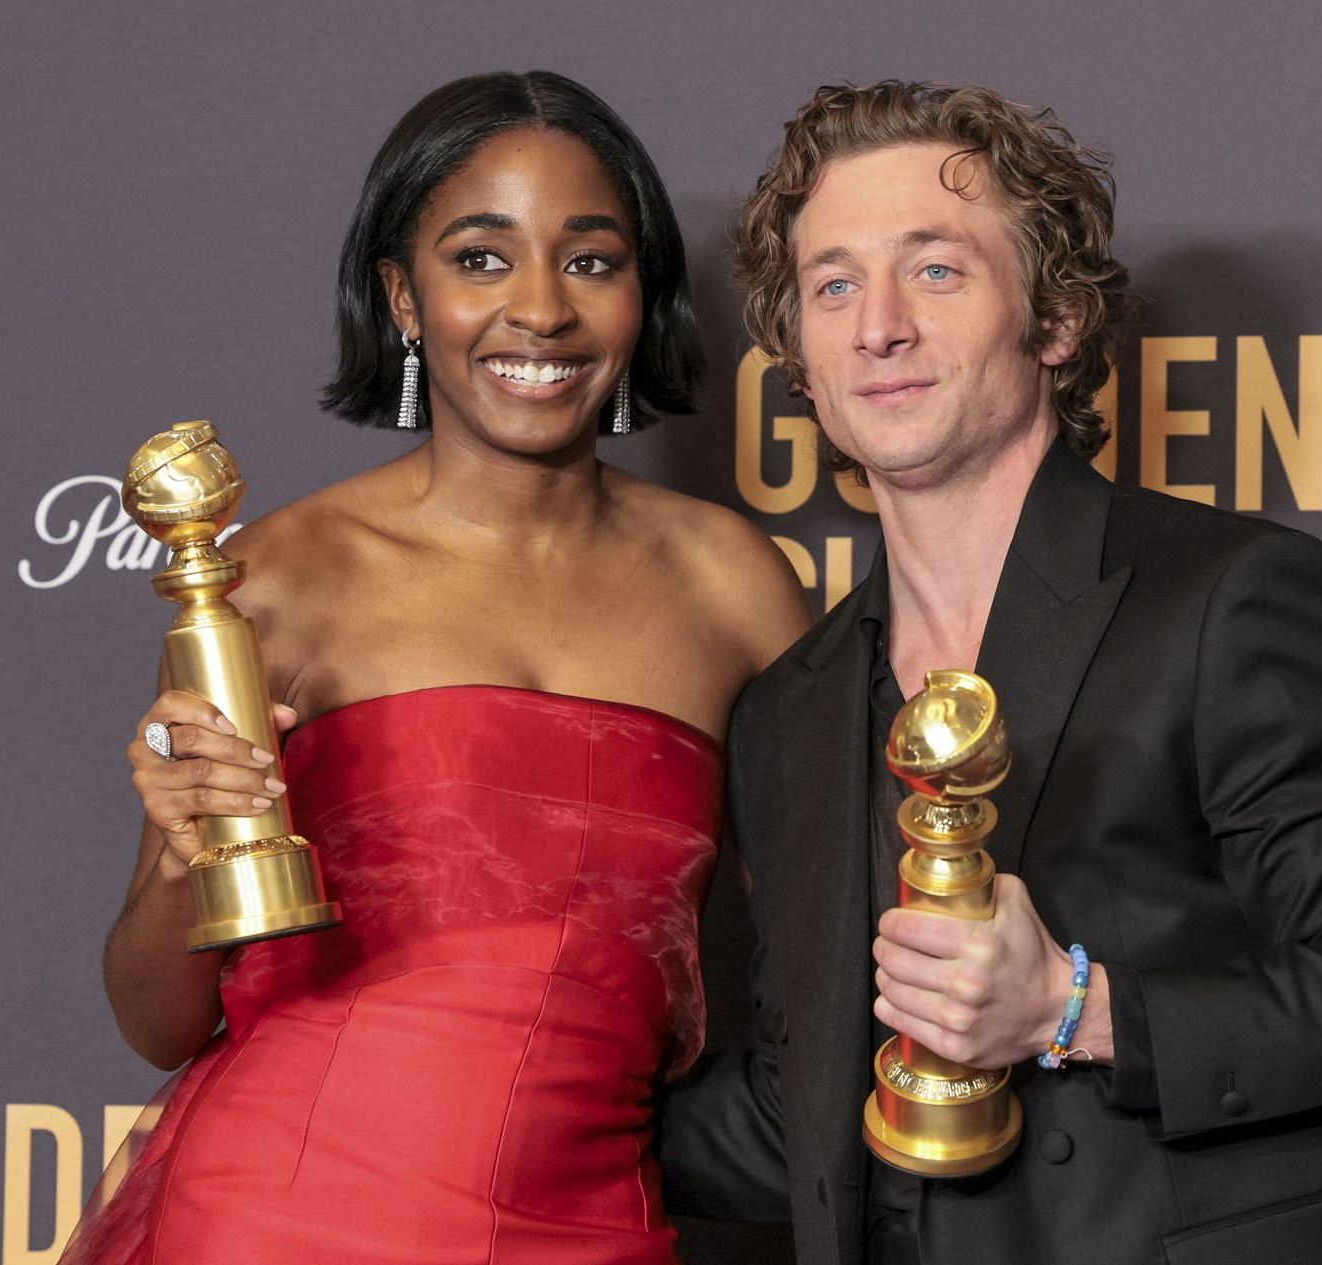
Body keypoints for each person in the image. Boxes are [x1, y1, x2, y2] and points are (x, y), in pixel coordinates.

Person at [657, 80, 1322, 1265]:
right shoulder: (789, 703)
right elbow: (807, 1097)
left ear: (1052, 320)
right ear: (797, 355)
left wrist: (1073, 1009)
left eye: (935, 270)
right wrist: (493, 1102)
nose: (876, 325)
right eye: (831, 283)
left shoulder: (1236, 600)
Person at [64, 71, 810, 1265]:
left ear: (640, 294)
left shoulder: (733, 584)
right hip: (286, 1210)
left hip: (593, 1213)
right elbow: (159, 1019)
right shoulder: (278, 577)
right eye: (479, 258)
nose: (539, 310)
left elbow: (830, 944)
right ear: (402, 297)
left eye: (589, 260)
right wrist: (178, 858)